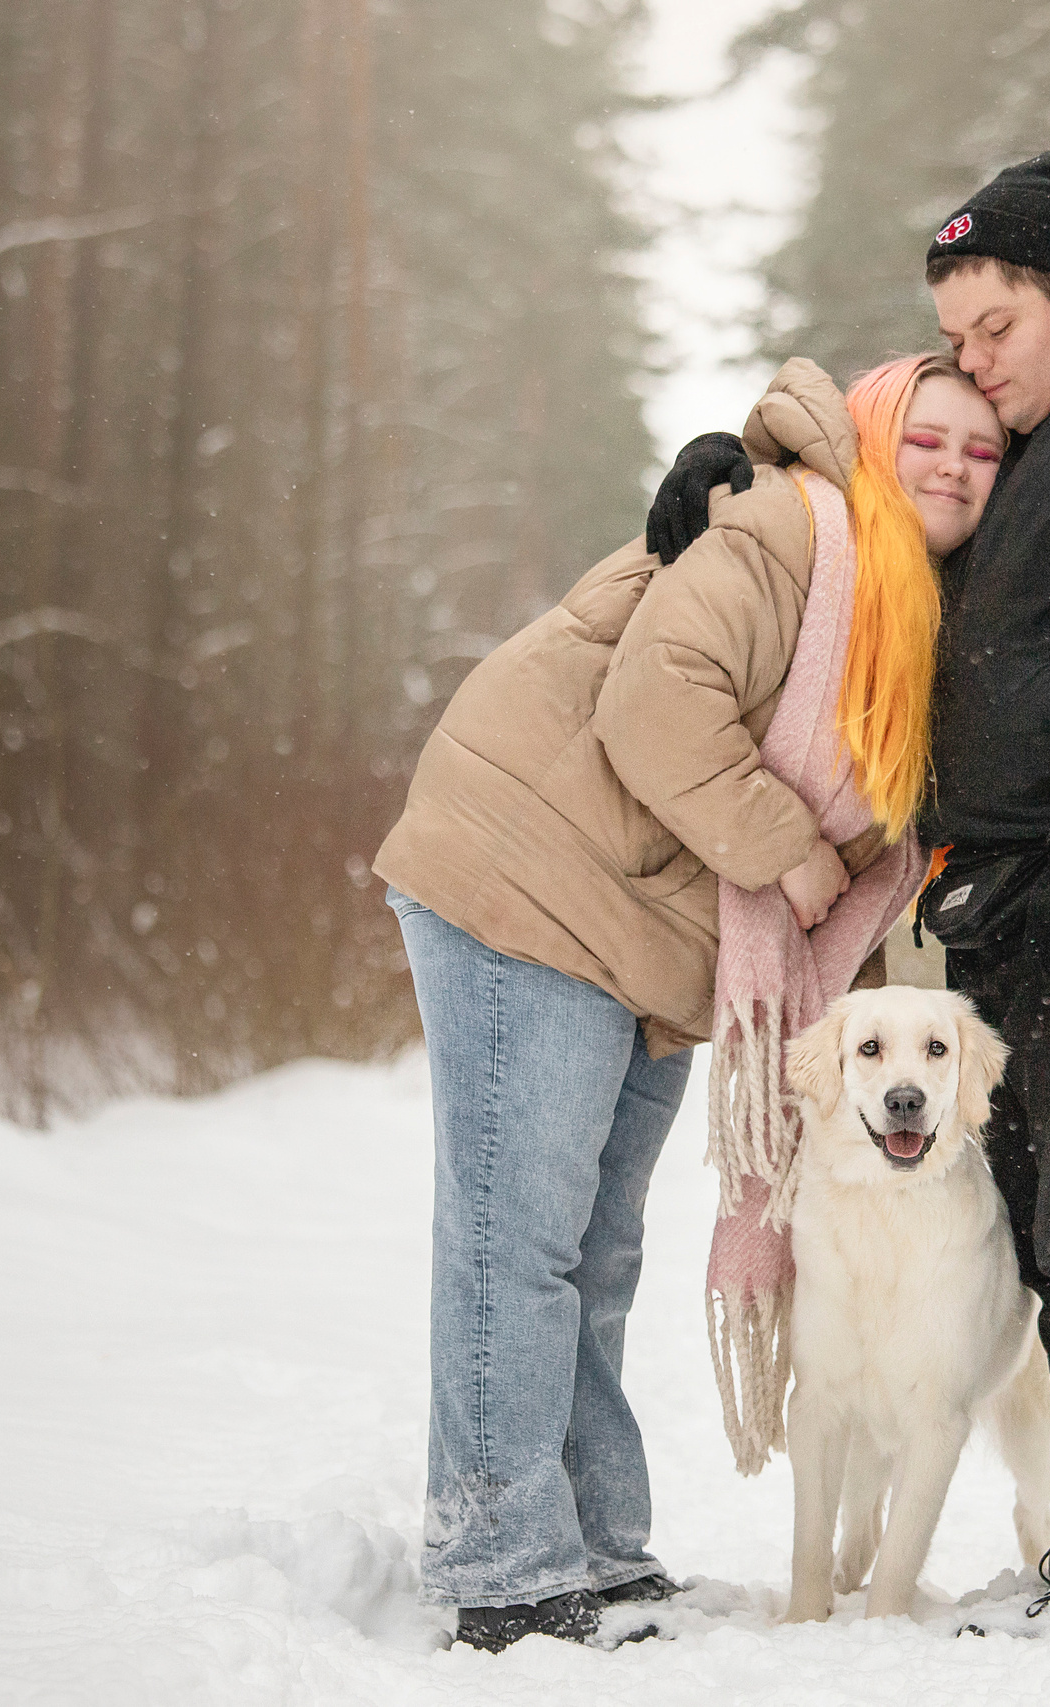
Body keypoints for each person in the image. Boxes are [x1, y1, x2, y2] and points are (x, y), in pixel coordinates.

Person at [649, 153, 1050, 1622]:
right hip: (1012, 899)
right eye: (957, 329)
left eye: (996, 324)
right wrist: (726, 470)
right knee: (1026, 1225)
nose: (974, 361)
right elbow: (876, 521)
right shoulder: (1022, 444)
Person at [372, 353, 1005, 1652]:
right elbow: (655, 701)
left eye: (984, 451)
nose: (953, 464)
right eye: (929, 435)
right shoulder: (791, 527)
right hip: (531, 874)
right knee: (519, 1242)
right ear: (877, 434)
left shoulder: (906, 622)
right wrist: (788, 847)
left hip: (651, 938)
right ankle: (499, 1566)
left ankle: (594, 1548)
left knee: (597, 1251)